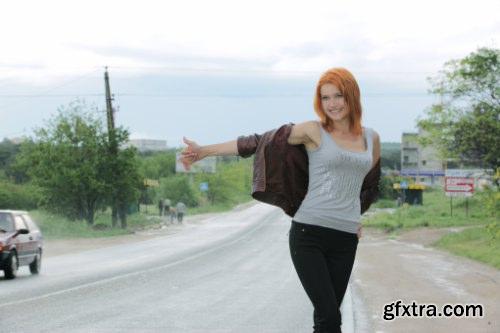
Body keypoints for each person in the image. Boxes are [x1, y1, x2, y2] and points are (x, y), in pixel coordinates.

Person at [181, 68, 381, 333]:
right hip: (309, 234)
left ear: (352, 96)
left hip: (345, 239)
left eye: (338, 96)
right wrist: (205, 151)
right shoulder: (313, 131)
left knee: (328, 320)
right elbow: (260, 141)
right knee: (330, 317)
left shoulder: (371, 138)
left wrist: (357, 216)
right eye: (325, 98)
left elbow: (367, 185)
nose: (332, 104)